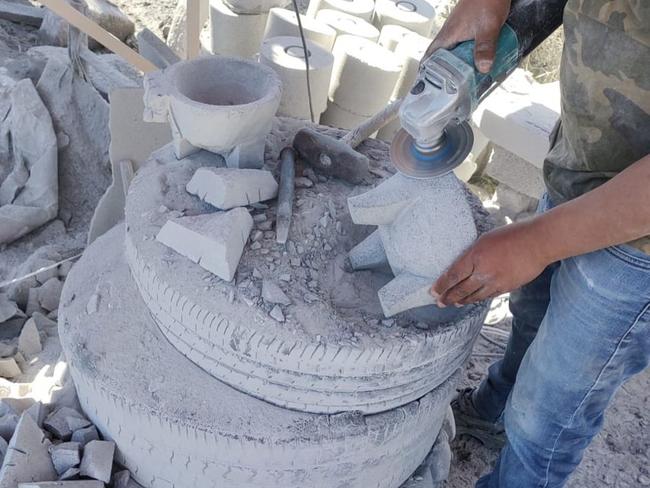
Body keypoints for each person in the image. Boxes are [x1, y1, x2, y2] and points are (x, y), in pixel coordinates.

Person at [426, 0, 650, 486]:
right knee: (531, 315)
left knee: (550, 410)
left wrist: (537, 243)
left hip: (640, 249)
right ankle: (492, 412)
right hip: (581, 166)